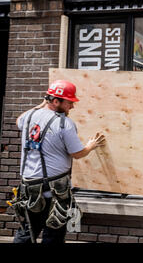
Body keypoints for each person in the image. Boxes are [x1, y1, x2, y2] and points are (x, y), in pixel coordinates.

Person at [10, 80, 105, 243]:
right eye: (69, 102)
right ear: (56, 101)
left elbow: (18, 120)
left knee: (26, 233)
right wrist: (91, 146)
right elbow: (77, 154)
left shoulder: (29, 116)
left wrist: (42, 103)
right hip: (54, 192)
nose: (72, 107)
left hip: (29, 190)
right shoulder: (64, 124)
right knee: (53, 235)